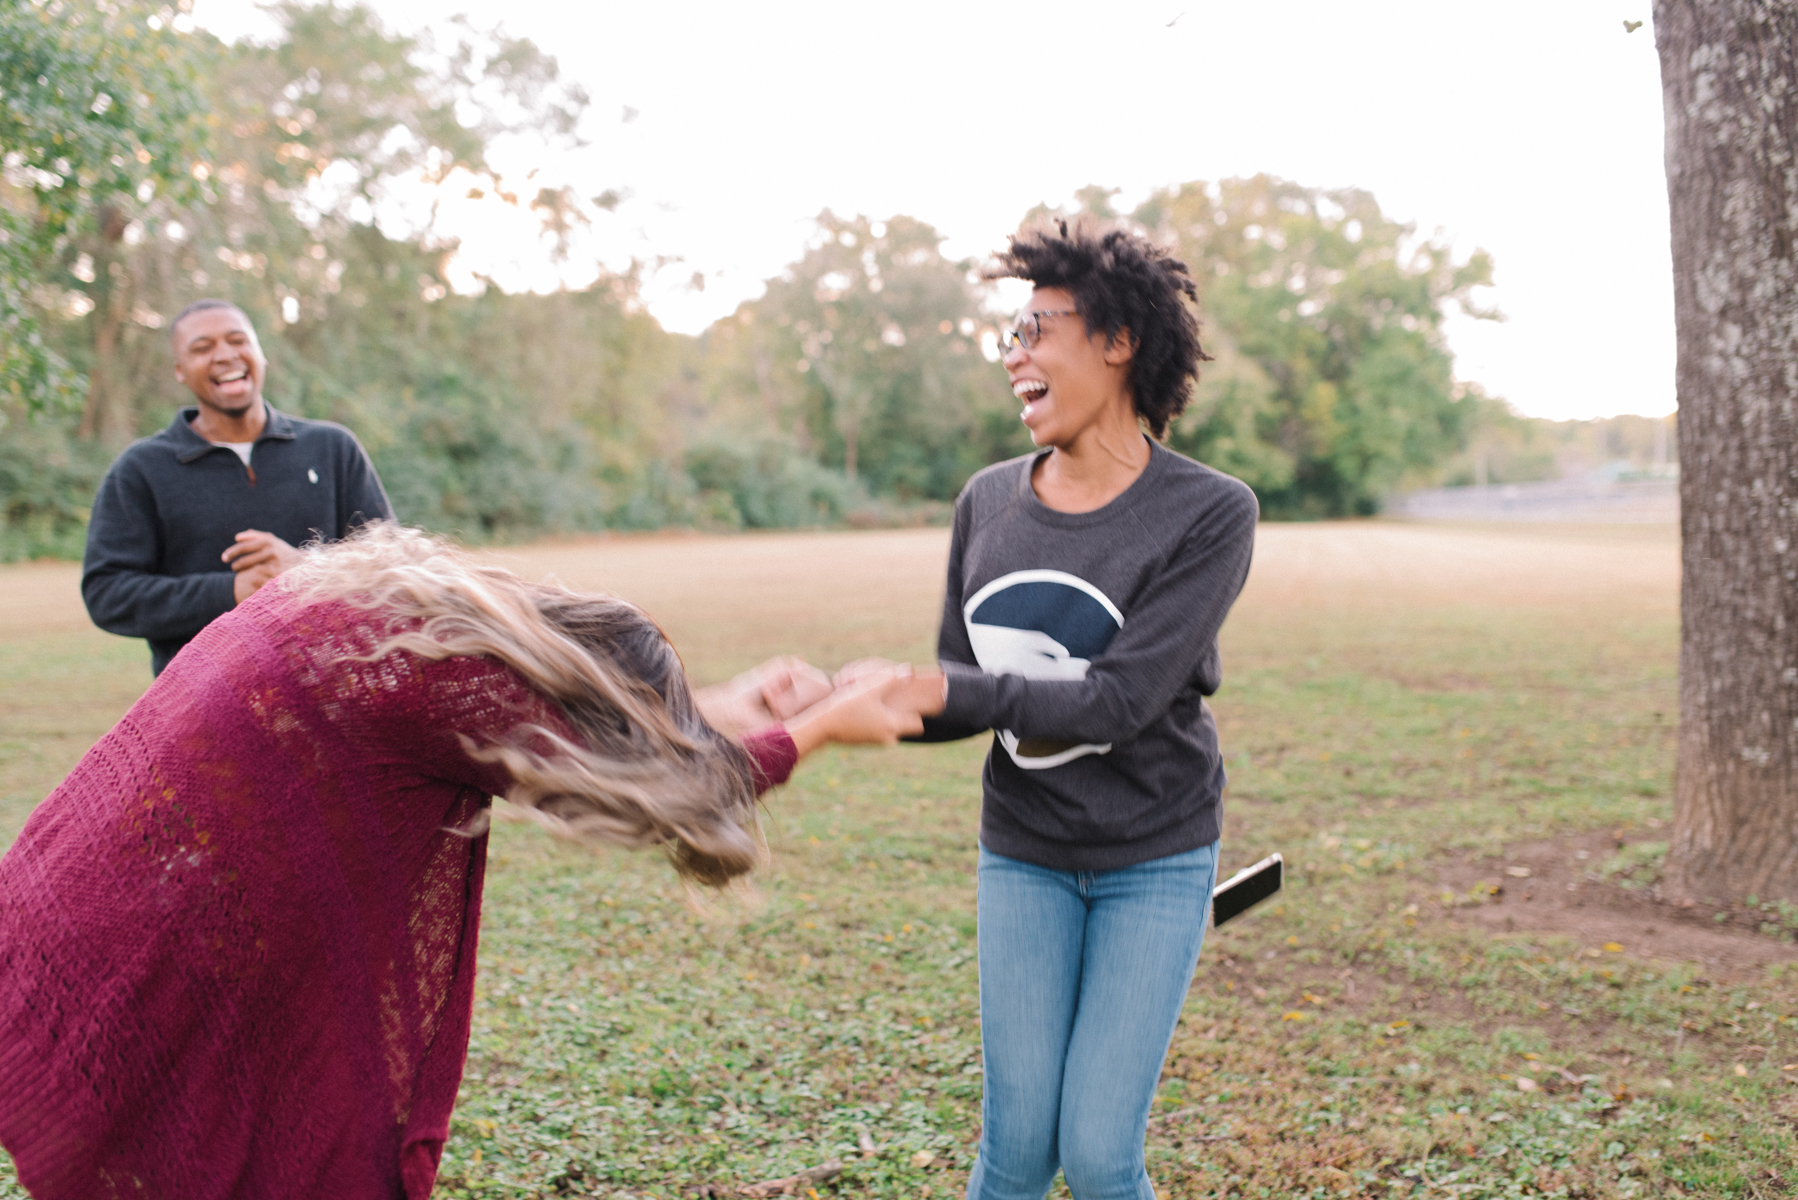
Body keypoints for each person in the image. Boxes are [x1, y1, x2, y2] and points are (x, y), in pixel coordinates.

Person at [0, 525, 932, 1200]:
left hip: (74, 891)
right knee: (256, 1148)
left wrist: (722, 703)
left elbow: (599, 728)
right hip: (149, 938)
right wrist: (815, 729)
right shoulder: (465, 685)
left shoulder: (412, 603)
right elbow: (669, 794)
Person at [893, 220, 1259, 1200]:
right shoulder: (986, 501)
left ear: (1116, 340)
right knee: (1015, 1153)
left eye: (1031, 329)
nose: (1012, 356)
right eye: (1006, 337)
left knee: (1098, 1156)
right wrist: (866, 700)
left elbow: (1121, 701)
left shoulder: (1209, 512)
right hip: (1023, 852)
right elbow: (957, 688)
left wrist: (936, 689)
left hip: (1154, 854)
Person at [82, 298, 394, 675]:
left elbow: (393, 565)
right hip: (201, 707)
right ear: (179, 371)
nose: (225, 355)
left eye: (238, 340)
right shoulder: (141, 469)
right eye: (202, 348)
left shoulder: (332, 448)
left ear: (261, 355)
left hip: (331, 693)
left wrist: (305, 569)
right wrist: (231, 591)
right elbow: (108, 594)